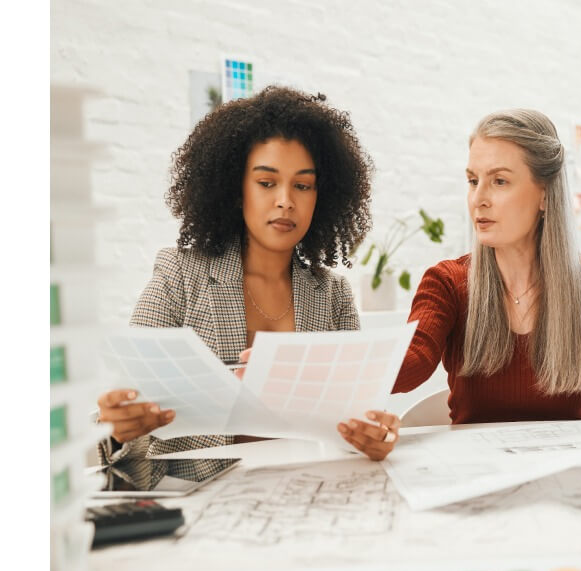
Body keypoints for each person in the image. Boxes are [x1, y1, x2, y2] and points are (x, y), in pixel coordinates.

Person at [97, 86, 400, 489]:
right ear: (236, 190)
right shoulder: (178, 276)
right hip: (206, 504)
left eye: (303, 185)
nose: (286, 201)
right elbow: (131, 432)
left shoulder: (333, 297)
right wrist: (120, 429)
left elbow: (353, 426)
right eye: (266, 182)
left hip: (311, 495)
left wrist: (374, 436)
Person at [392, 108, 581, 426]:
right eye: (472, 181)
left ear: (545, 195)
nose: (478, 199)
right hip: (479, 473)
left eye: (499, 181)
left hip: (572, 471)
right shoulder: (447, 283)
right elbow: (412, 360)